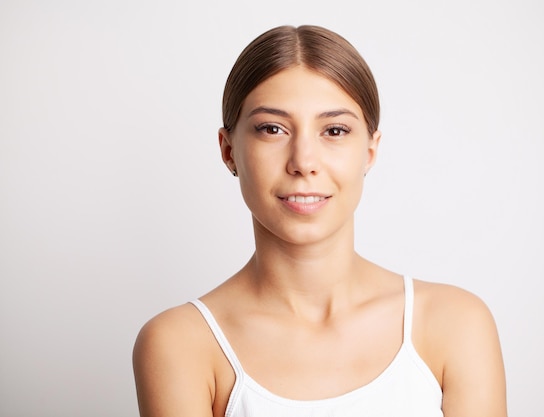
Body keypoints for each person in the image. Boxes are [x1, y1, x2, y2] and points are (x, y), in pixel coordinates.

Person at [132, 24, 507, 417]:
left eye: (334, 130)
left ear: (369, 151)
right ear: (229, 151)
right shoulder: (180, 344)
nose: (304, 162)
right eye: (272, 129)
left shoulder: (455, 325)